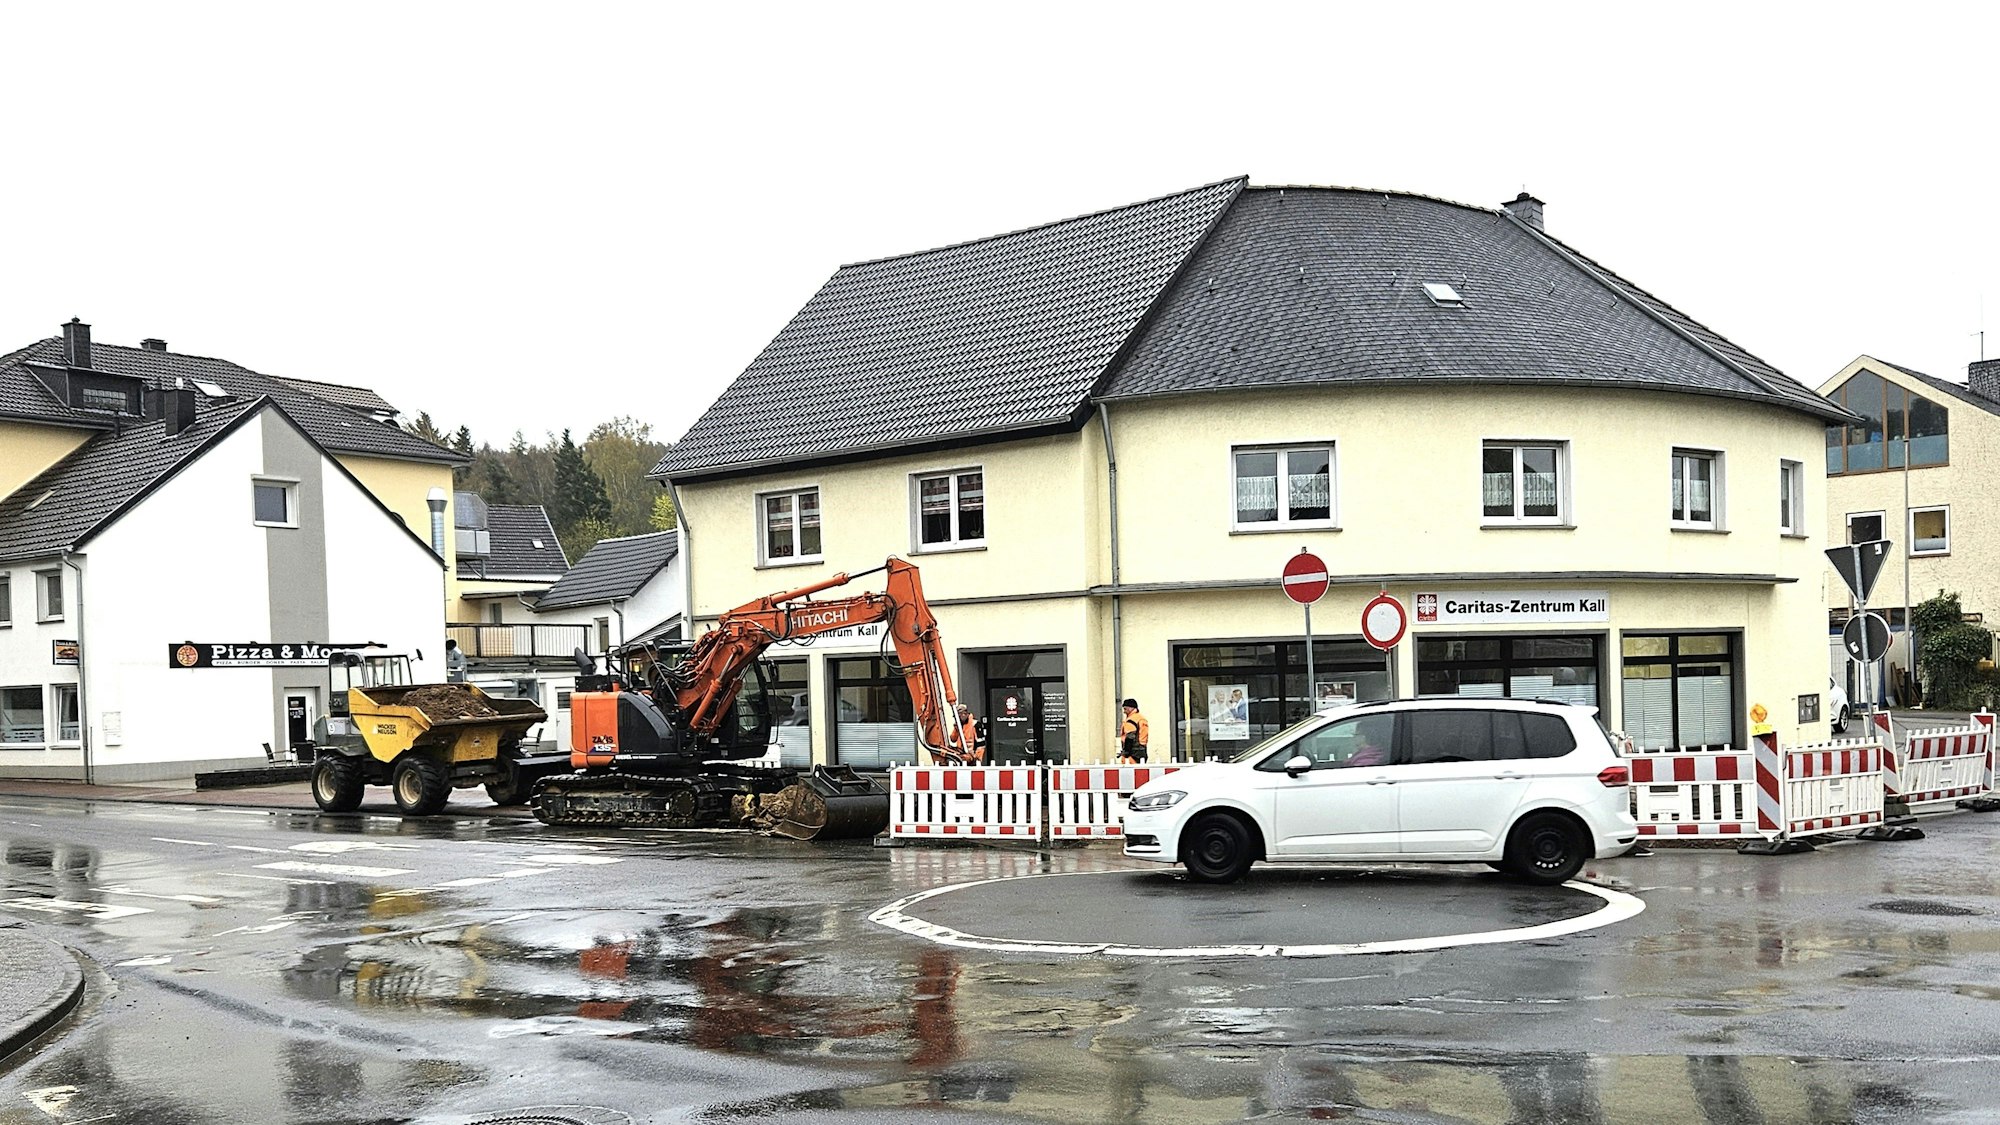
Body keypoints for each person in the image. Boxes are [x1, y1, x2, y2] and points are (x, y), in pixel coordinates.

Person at [1116, 698, 1149, 763]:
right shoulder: (1141, 718)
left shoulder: (1131, 720)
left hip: (1132, 753)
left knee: (1129, 772)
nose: (1124, 711)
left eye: (1125, 709)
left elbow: (1130, 737)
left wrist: (1126, 753)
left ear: (1130, 708)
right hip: (1141, 752)